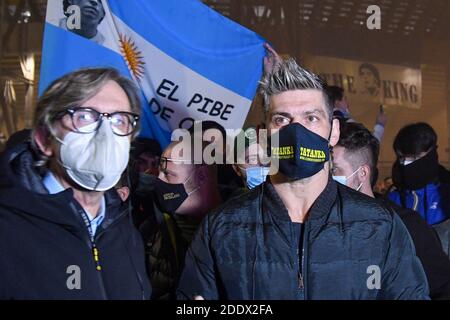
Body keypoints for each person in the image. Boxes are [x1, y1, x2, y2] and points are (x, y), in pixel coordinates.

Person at [177, 57, 429, 300]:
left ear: (333, 132)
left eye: (311, 118)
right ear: (263, 135)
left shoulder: (380, 225)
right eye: (281, 119)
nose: (296, 131)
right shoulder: (222, 228)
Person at [0, 68, 151, 299]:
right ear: (44, 139)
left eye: (120, 120)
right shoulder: (8, 230)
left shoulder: (124, 232)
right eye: (85, 116)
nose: (105, 134)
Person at [332, 121, 450, 299]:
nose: (325, 178)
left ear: (362, 174)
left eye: (334, 170)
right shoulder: (321, 224)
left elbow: (442, 287)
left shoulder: (407, 226)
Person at [140, 136, 222, 300]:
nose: (160, 180)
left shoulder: (244, 227)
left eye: (168, 174)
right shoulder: (152, 229)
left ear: (200, 177)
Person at [388, 123, 450, 225]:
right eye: (402, 159)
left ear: (431, 153)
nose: (406, 164)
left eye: (413, 158)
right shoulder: (394, 198)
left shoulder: (445, 194)